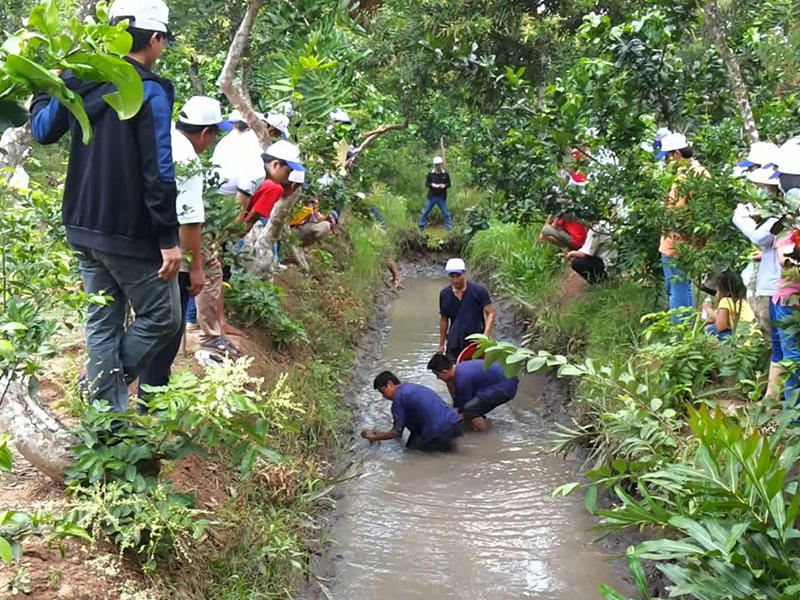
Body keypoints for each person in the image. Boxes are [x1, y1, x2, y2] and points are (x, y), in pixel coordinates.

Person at [30, 0, 181, 412]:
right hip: (129, 231)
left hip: (81, 223)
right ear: (154, 38)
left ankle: (106, 420)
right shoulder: (149, 90)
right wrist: (169, 238)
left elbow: (43, 131)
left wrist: (45, 87)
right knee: (164, 317)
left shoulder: (81, 79)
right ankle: (100, 390)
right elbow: (159, 170)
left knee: (102, 321)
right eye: (163, 41)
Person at [138, 96, 231, 398]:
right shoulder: (188, 159)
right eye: (214, 135)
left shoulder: (156, 137)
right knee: (168, 327)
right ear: (206, 133)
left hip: (133, 245)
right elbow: (190, 223)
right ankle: (151, 398)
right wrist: (196, 269)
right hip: (169, 256)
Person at [197, 140, 304, 353]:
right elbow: (238, 214)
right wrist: (221, 240)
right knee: (208, 273)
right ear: (275, 164)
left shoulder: (258, 173)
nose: (287, 177)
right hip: (205, 215)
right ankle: (201, 329)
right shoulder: (259, 176)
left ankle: (217, 324)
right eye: (288, 170)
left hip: (210, 214)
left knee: (215, 273)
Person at [733, 164, 782, 397]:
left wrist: (741, 218)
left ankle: (784, 405)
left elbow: (760, 235)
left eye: (760, 186)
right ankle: (771, 399)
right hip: (774, 284)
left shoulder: (784, 211)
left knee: (783, 346)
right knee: (779, 347)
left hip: (779, 287)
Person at [655, 132, 710, 319]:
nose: (667, 162)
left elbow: (677, 214)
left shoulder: (685, 178)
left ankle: (679, 335)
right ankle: (684, 334)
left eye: (668, 157)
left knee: (677, 290)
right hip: (689, 243)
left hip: (676, 244)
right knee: (683, 288)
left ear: (676, 154)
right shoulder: (702, 173)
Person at [361, 371, 463, 451]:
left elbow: (396, 433)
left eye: (383, 392)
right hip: (455, 422)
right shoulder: (411, 387)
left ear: (390, 384)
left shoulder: (398, 399)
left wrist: (373, 437)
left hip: (439, 431)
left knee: (411, 452)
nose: (384, 396)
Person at [769, 143, 800, 406]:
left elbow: (785, 260)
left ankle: (794, 416)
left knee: (793, 356)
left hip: (790, 301)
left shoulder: (788, 220)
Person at [427, 353, 519, 432]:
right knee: (472, 408)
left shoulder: (462, 379)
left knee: (470, 409)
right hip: (505, 381)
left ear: (444, 372)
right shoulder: (461, 368)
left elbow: (464, 409)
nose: (438, 378)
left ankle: (484, 435)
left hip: (505, 387)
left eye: (437, 375)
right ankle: (479, 422)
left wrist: (449, 422)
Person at [439, 258, 495, 360]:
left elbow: (490, 313)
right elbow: (444, 319)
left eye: (458, 276)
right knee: (453, 372)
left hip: (476, 343)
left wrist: (485, 336)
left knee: (476, 372)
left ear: (464, 274)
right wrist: (441, 344)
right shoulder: (445, 294)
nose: (455, 280)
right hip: (454, 343)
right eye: (452, 276)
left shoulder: (478, 291)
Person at [704, 271, 756, 340]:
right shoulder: (742, 301)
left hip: (742, 341)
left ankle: (727, 348)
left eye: (717, 291)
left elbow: (720, 327)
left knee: (710, 329)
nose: (716, 295)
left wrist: (708, 309)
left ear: (727, 292)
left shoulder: (725, 301)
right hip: (754, 338)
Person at [419, 156, 452, 232]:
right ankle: (421, 227)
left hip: (441, 197)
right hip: (432, 197)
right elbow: (426, 184)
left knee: (446, 213)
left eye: (439, 164)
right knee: (425, 212)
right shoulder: (431, 174)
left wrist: (444, 185)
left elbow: (449, 184)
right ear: (434, 165)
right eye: (436, 165)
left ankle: (449, 229)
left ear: (441, 164)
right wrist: (431, 185)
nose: (438, 166)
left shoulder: (445, 174)